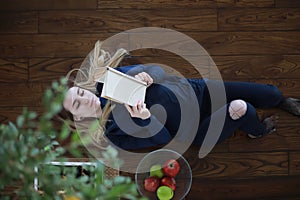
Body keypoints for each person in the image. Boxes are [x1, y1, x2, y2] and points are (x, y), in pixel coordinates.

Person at [63, 41, 300, 151]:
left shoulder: (112, 82)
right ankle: (256, 131)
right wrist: (144, 118)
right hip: (196, 128)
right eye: (77, 103)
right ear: (79, 117)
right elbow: (162, 138)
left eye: (81, 93)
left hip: (200, 91)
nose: (85, 99)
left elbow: (160, 72)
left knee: (273, 93)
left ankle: (280, 102)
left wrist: (147, 76)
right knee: (242, 108)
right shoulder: (114, 134)